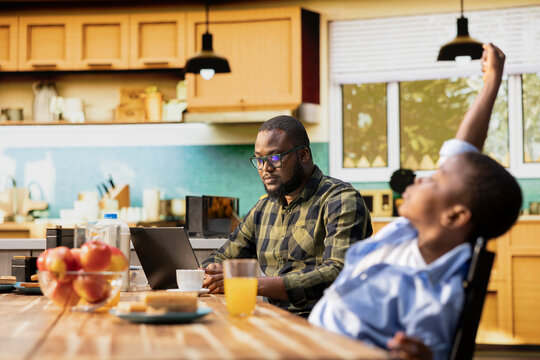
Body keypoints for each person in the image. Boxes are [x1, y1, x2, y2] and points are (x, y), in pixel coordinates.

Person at [308, 43, 522, 360]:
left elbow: (428, 351)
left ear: (453, 216)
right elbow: (461, 152)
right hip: (308, 341)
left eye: (435, 180)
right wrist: (492, 82)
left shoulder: (437, 295)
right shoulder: (408, 233)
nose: (421, 178)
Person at [202, 115, 373, 316]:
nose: (265, 168)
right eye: (259, 160)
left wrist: (251, 284)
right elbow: (222, 257)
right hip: (275, 318)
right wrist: (210, 273)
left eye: (275, 158)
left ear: (303, 155)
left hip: (328, 321)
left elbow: (338, 272)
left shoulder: (341, 199)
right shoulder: (264, 208)